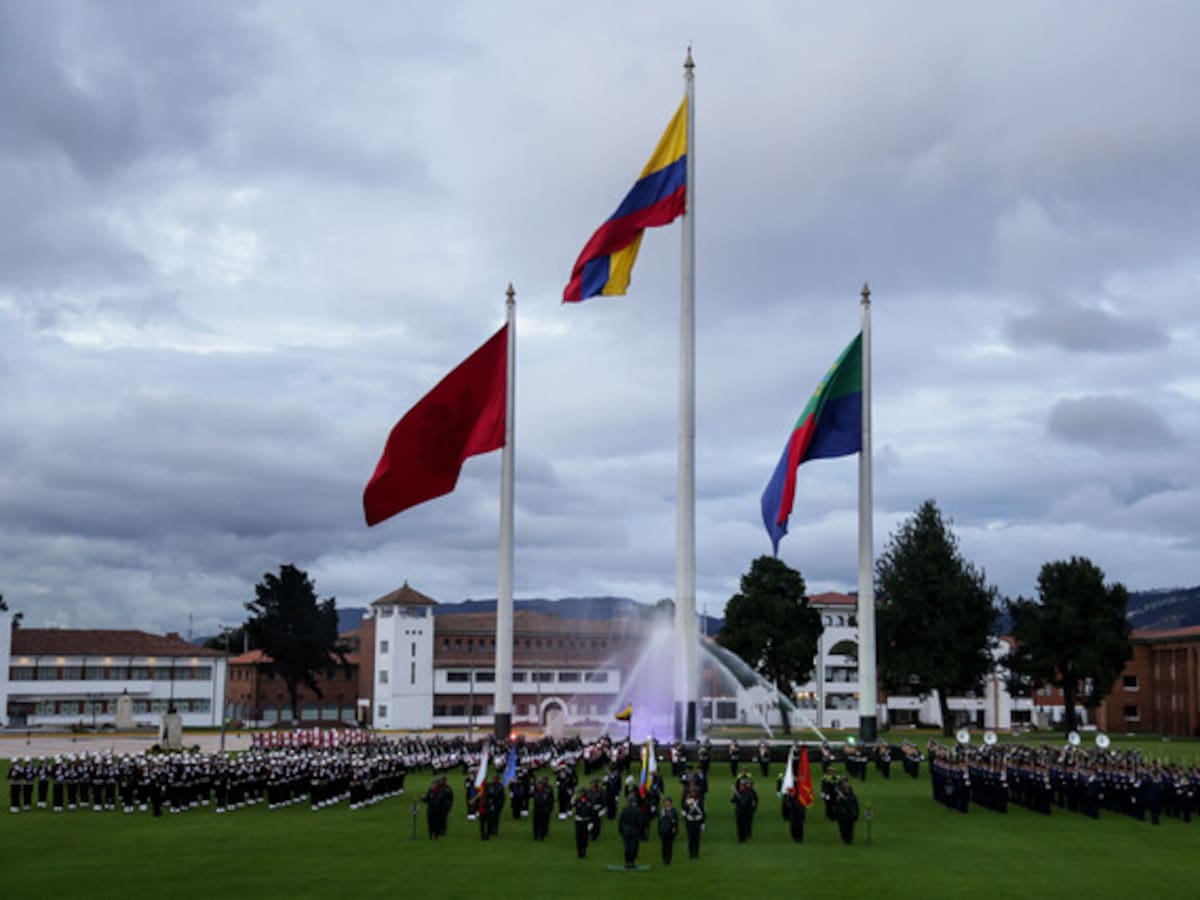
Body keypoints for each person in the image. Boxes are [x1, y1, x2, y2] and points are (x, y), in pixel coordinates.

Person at [618, 791, 644, 869]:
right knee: (634, 847)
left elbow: (620, 820)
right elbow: (640, 822)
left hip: (626, 830)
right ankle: (631, 862)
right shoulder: (637, 810)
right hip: (634, 830)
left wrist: (621, 830)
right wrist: (640, 831)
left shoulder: (624, 809)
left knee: (627, 846)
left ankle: (627, 862)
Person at [835, 779, 859, 845]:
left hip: (850, 815)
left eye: (848, 789)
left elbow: (856, 806)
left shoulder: (853, 797)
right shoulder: (840, 797)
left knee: (850, 828)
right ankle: (845, 838)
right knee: (843, 828)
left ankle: (849, 839)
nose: (846, 790)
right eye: (845, 789)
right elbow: (838, 806)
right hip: (843, 815)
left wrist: (856, 814)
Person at [683, 790, 705, 859]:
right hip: (690, 822)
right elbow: (684, 812)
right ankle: (691, 854)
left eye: (695, 793)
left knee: (697, 839)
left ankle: (696, 854)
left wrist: (702, 823)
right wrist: (686, 818)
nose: (693, 794)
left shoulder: (700, 802)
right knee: (690, 839)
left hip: (697, 822)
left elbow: (703, 813)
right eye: (692, 793)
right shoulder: (688, 801)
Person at [658, 795, 679, 864]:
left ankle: (668, 859)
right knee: (664, 846)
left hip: (670, 831)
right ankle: (664, 859)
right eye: (665, 802)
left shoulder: (673, 811)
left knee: (669, 846)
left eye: (668, 802)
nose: (667, 803)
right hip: (663, 830)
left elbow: (676, 822)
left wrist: (675, 829)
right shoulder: (662, 811)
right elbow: (660, 822)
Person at [572, 788, 592, 859]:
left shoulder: (589, 801)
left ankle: (584, 851)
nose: (582, 794)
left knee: (585, 838)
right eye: (581, 793)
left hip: (586, 821)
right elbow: (571, 806)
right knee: (578, 837)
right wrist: (572, 799)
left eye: (583, 792)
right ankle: (579, 852)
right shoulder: (577, 800)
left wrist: (591, 823)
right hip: (579, 821)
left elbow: (591, 813)